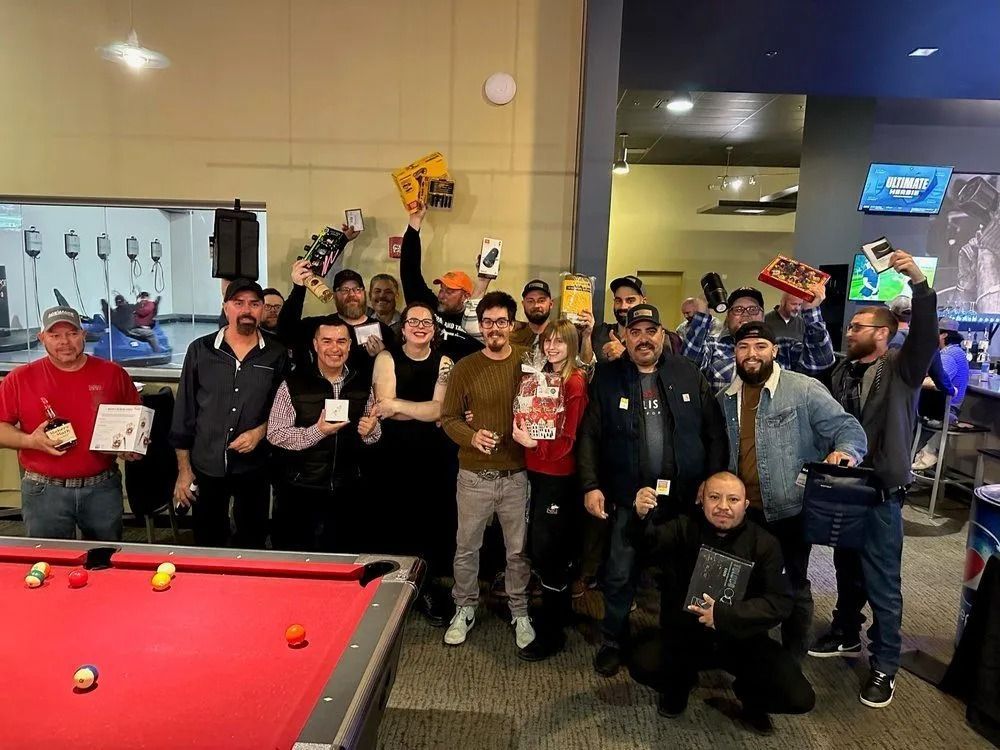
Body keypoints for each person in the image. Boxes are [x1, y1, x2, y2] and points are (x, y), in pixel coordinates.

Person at [809, 250, 938, 709]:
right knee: (846, 570)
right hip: (845, 491)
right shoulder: (843, 370)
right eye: (849, 327)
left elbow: (926, 335)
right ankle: (846, 632)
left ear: (883, 333)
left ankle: (885, 664)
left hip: (882, 493)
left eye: (857, 327)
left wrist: (918, 282)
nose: (849, 332)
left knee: (882, 581)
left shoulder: (902, 367)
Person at [577, 303, 729, 677]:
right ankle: (613, 641)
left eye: (651, 331)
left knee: (680, 577)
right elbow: (590, 435)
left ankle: (676, 642)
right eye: (635, 332)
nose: (643, 339)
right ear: (624, 337)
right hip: (627, 499)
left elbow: (714, 432)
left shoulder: (688, 373)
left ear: (663, 334)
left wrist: (712, 483)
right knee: (619, 576)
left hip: (683, 501)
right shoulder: (607, 377)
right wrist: (591, 485)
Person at [721, 321, 868, 658]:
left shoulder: (803, 389)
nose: (752, 354)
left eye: (760, 346)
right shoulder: (725, 399)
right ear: (735, 353)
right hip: (744, 513)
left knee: (792, 586)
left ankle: (793, 661)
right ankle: (754, 658)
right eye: (743, 347)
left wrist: (845, 452)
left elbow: (849, 429)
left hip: (789, 510)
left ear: (774, 351)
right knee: (747, 586)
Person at [628, 472, 815, 735]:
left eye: (733, 499)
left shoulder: (766, 544)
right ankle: (679, 684)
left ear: (745, 505)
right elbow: (645, 544)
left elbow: (779, 603)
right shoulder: (683, 528)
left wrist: (725, 615)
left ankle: (750, 696)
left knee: (799, 697)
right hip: (686, 635)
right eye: (714, 497)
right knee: (641, 661)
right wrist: (639, 516)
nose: (723, 506)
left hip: (742, 639)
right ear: (702, 501)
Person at [439, 291, 534, 651]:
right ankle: (464, 607)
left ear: (512, 325)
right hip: (474, 475)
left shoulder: (528, 362)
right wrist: (471, 435)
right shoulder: (465, 367)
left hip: (516, 475)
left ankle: (520, 610)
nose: (494, 328)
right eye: (488, 322)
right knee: (466, 548)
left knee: (517, 552)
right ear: (480, 326)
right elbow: (449, 418)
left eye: (501, 322)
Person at [0, 306, 142, 540]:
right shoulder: (19, 379)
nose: (64, 342)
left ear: (84, 335)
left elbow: (134, 421)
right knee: (49, 558)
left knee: (104, 556)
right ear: (42, 338)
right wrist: (31, 441)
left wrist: (131, 446)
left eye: (72, 333)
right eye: (55, 335)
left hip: (102, 487)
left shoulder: (113, 374)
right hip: (44, 490)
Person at [170, 279, 288, 548]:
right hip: (206, 464)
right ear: (226, 308)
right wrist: (184, 471)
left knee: (253, 540)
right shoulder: (200, 350)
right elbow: (184, 413)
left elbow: (283, 410)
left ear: (262, 309)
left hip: (255, 467)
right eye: (239, 303)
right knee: (208, 541)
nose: (247, 310)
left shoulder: (276, 353)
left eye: (254, 304)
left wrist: (259, 432)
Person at [266, 315, 381, 552]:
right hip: (301, 489)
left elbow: (373, 433)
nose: (334, 348)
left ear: (350, 345)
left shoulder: (363, 384)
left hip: (348, 489)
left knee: (344, 557)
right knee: (299, 558)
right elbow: (275, 433)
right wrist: (317, 431)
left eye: (341, 341)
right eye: (327, 341)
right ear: (315, 344)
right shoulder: (293, 383)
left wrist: (372, 430)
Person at [372, 300, 455, 625]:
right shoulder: (386, 358)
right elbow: (383, 407)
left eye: (427, 322)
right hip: (392, 451)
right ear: (403, 327)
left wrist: (399, 406)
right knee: (395, 517)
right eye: (413, 321)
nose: (420, 326)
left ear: (434, 330)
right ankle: (395, 587)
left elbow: (440, 410)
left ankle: (427, 586)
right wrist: (419, 409)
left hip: (433, 453)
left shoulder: (444, 362)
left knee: (429, 520)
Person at [511, 319, 589, 661]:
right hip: (536, 472)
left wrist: (535, 445)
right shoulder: (540, 378)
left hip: (558, 475)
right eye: (547, 342)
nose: (552, 347)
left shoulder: (574, 382)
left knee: (549, 552)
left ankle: (552, 632)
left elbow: (569, 439)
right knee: (544, 547)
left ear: (571, 345)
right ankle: (558, 613)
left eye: (559, 342)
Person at [683, 285, 833, 394]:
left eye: (753, 309)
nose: (746, 314)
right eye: (738, 309)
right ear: (728, 317)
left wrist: (811, 311)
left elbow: (820, 362)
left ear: (763, 316)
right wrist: (701, 315)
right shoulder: (714, 347)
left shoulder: (784, 347)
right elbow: (689, 363)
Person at [399, 203, 490, 362]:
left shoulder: (474, 323)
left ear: (465, 297)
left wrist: (484, 280)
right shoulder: (429, 307)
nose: (442, 295)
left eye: (450, 291)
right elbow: (409, 271)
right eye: (442, 289)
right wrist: (415, 221)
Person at [279, 265, 396, 376]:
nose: (352, 294)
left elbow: (398, 372)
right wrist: (299, 288)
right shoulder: (320, 326)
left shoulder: (384, 331)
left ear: (364, 294)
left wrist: (382, 356)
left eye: (357, 289)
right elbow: (286, 332)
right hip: (323, 389)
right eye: (345, 290)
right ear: (335, 295)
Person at [912, 319, 971, 472]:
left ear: (944, 335)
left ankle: (911, 459)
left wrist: (912, 379)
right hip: (938, 410)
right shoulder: (954, 352)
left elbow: (935, 382)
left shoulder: (949, 355)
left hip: (942, 412)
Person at [593, 276, 683, 362]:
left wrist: (625, 355)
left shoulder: (666, 340)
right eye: (618, 301)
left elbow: (668, 370)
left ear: (643, 302)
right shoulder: (600, 333)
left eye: (630, 300)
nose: (623, 306)